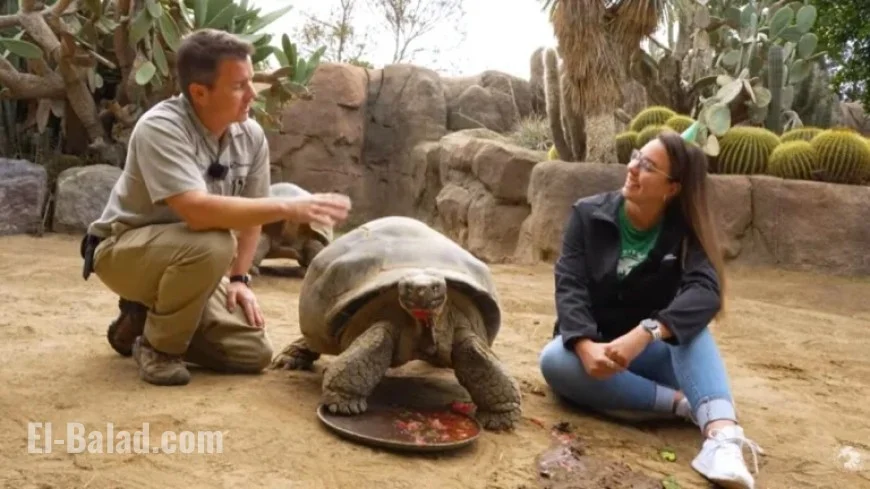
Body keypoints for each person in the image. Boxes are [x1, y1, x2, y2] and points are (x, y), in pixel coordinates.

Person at [81, 28, 351, 387]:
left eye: (251, 81)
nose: (252, 94)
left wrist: (240, 278)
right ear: (199, 93)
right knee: (214, 242)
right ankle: (159, 349)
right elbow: (197, 211)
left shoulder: (251, 136)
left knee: (251, 354)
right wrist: (287, 207)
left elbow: (252, 212)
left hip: (192, 261)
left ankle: (142, 320)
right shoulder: (160, 128)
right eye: (239, 85)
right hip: (123, 252)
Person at [538, 125, 764, 489]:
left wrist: (648, 332)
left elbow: (705, 291)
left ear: (672, 188)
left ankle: (722, 437)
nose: (632, 168)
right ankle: (681, 405)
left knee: (691, 331)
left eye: (647, 166)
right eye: (635, 158)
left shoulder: (686, 229)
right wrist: (583, 344)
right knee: (554, 360)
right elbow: (570, 284)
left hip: (653, 352)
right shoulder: (587, 214)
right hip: (597, 353)